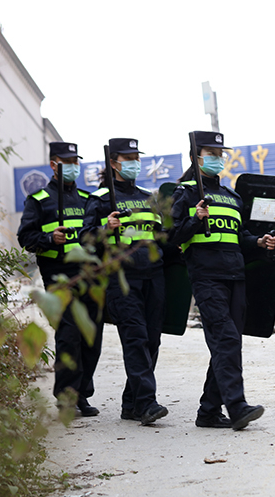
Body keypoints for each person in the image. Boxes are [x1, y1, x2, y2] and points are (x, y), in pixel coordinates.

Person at [171, 130, 274, 431]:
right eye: (211, 154)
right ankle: (237, 407)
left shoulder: (232, 197)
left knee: (227, 344)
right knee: (226, 339)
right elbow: (171, 236)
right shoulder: (185, 193)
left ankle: (208, 411)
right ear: (196, 157)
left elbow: (239, 237)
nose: (217, 159)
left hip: (235, 276)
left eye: (220, 154)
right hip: (207, 278)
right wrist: (195, 219)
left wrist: (258, 242)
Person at [79, 138, 166, 426]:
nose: (134, 163)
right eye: (128, 158)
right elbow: (84, 239)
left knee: (152, 340)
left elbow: (161, 235)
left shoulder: (149, 197)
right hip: (121, 279)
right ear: (114, 162)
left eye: (136, 158)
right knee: (136, 339)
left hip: (153, 275)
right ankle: (147, 403)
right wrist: (105, 227)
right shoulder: (101, 198)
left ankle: (131, 403)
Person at [17, 141, 104, 417]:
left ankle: (82, 394)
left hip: (88, 275)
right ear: (54, 165)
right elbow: (26, 238)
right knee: (69, 336)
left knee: (92, 337)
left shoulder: (87, 199)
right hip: (58, 276)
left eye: (76, 162)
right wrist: (49, 239)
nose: (74, 166)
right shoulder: (39, 200)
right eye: (68, 162)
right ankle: (66, 397)